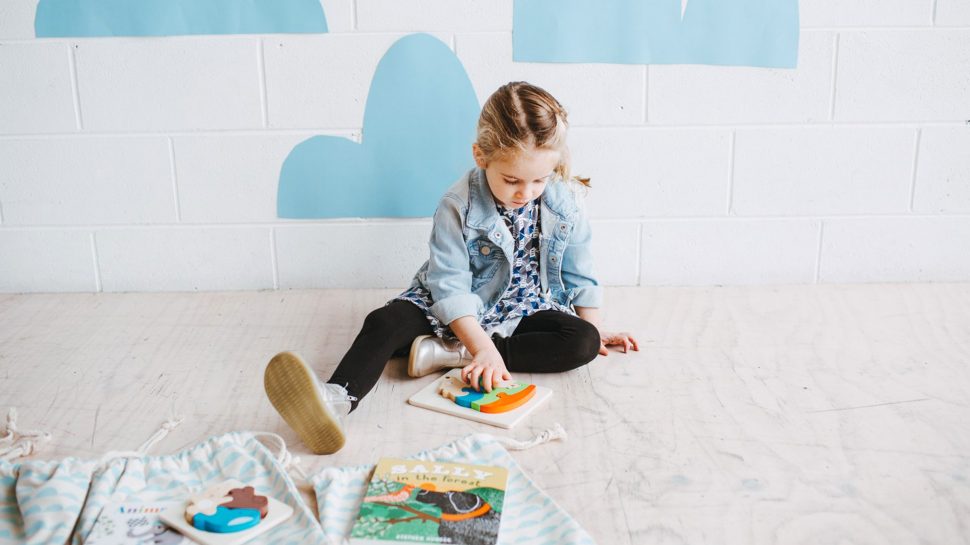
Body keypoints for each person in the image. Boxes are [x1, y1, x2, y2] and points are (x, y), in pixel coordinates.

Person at [264, 82, 639, 455]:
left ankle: (449, 354)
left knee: (582, 342)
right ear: (481, 155)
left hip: (524, 305)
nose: (526, 192)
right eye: (512, 180)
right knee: (384, 323)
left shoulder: (566, 201)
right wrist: (481, 346)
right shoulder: (457, 204)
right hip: (452, 303)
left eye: (539, 179)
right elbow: (449, 285)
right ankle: (337, 399)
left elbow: (579, 270)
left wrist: (594, 326)